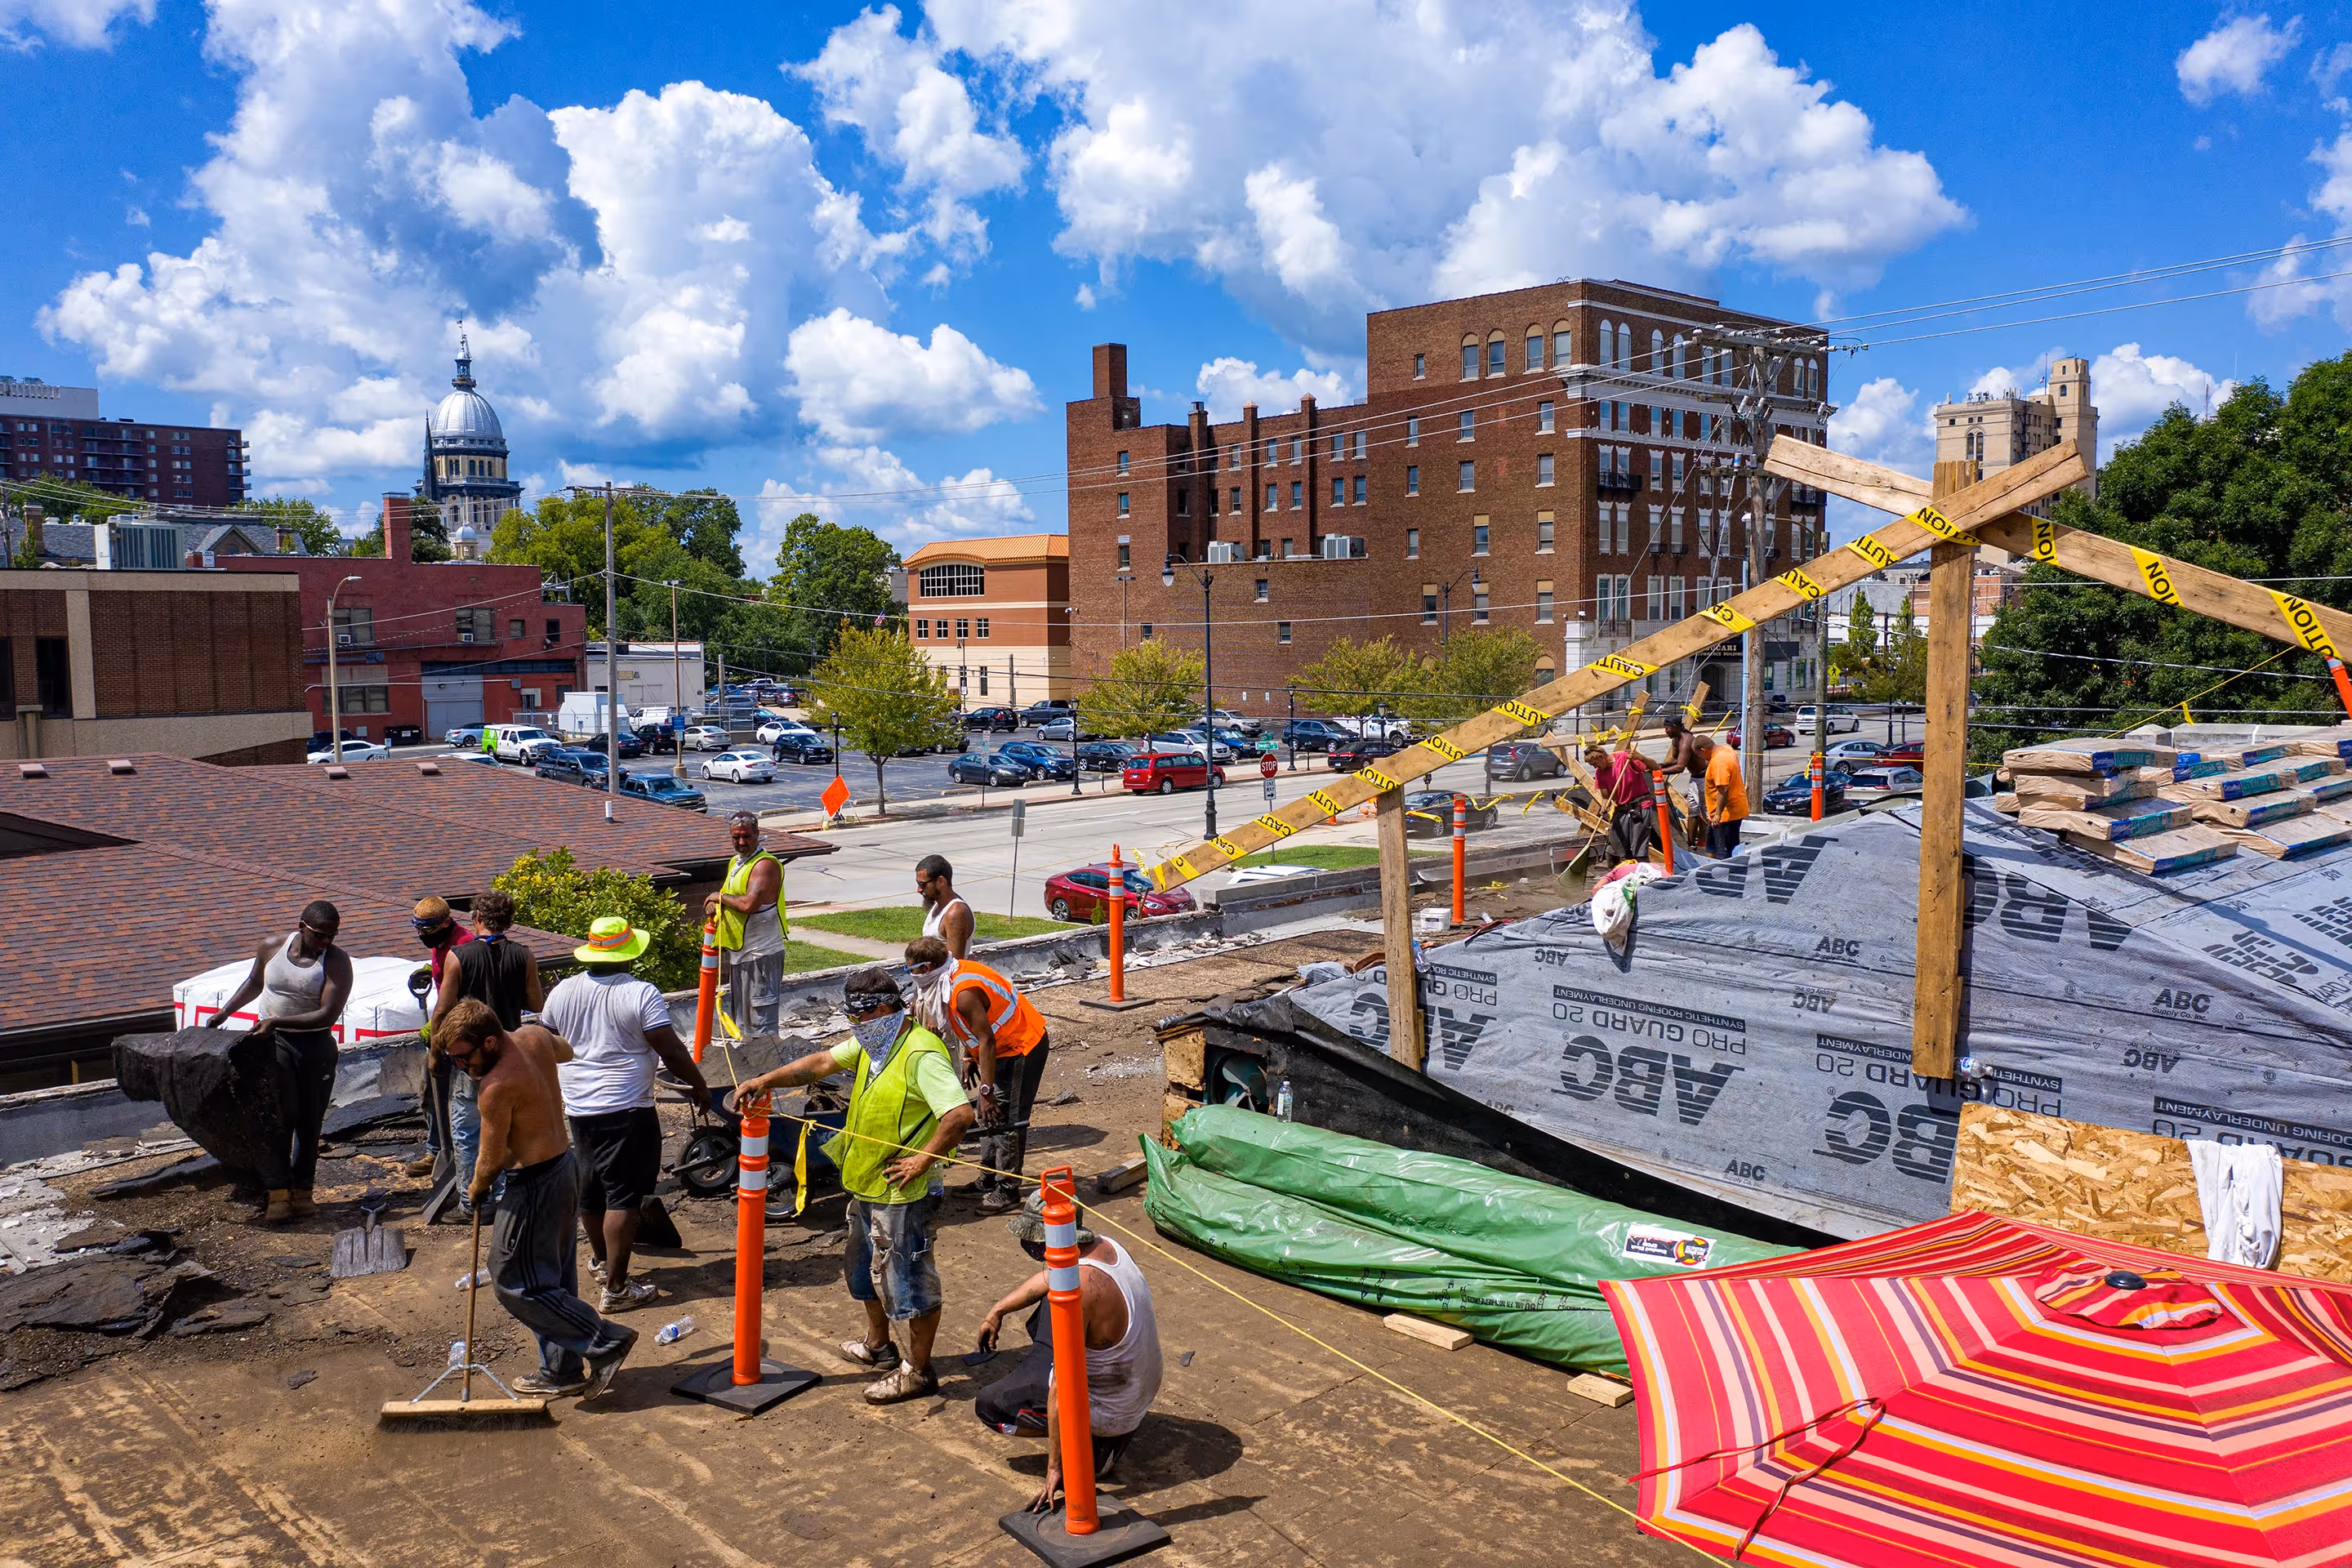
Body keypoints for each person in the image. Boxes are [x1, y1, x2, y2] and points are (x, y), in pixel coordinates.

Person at [733, 968, 976, 1405]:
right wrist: (766, 1080)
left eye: (859, 1019)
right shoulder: (872, 1043)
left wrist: (922, 1160)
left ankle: (918, 1371)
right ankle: (879, 1346)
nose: (854, 1028)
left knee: (909, 1284)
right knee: (863, 1273)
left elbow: (959, 1115)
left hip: (902, 1195)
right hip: (866, 1184)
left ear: (883, 1011)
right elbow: (822, 1062)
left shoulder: (922, 1054)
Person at [439, 998, 638, 1400]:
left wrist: (475, 1190)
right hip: (565, 1168)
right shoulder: (534, 1036)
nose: (462, 1067)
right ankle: (562, 1369)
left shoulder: (495, 1088)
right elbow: (568, 1050)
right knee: (552, 1275)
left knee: (513, 1279)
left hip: (533, 1184)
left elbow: (491, 1159)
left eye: (464, 1057)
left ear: (490, 1041)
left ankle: (605, 1340)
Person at [540, 917, 712, 1313]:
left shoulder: (562, 991)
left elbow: (545, 1043)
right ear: (629, 954)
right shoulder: (640, 993)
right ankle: (617, 1289)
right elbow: (669, 1049)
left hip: (580, 1106)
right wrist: (699, 1085)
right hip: (627, 1108)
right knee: (624, 1196)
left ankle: (602, 1263)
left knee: (591, 1189)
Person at [975, 1192, 1164, 1512]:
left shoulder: (1081, 1289)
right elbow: (1047, 1278)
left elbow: (1061, 1390)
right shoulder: (1103, 1247)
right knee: (1051, 1302)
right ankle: (1095, 1437)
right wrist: (999, 1310)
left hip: (1113, 1412)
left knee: (990, 1408)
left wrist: (1055, 1468)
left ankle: (1090, 1450)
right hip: (1134, 1389)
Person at [209, 902, 355, 1223]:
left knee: (308, 1121)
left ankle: (303, 1193)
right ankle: (278, 1194)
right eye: (320, 935)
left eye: (333, 935)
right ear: (302, 926)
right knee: (276, 1118)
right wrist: (225, 1012)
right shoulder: (271, 948)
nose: (326, 942)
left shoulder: (336, 961)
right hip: (271, 1044)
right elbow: (254, 983)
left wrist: (276, 1022)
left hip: (313, 1045)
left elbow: (327, 1013)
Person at [904, 936, 1048, 1215]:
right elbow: (971, 1029)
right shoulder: (946, 981)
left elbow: (987, 1039)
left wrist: (986, 1090)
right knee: (988, 1117)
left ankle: (1009, 1189)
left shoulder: (962, 990)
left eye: (912, 969)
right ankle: (989, 1178)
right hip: (1000, 1048)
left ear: (928, 967)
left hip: (1021, 1047)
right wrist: (970, 1057)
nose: (911, 976)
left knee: (1006, 1118)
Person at [430, 890, 544, 1215]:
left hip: (470, 1061)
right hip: (509, 1054)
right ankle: (507, 1202)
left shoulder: (458, 956)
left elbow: (442, 1010)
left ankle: (473, 1203)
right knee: (505, 1130)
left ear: (477, 917)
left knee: (468, 1132)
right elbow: (536, 1004)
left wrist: (437, 1052)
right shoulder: (524, 955)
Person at [406, 896, 474, 1179]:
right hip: (443, 1029)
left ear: (446, 922)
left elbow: (460, 1000)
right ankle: (437, 1149)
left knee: (457, 1096)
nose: (422, 935)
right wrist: (430, 969)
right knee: (431, 1092)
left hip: (459, 1032)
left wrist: (436, 1033)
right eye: (418, 929)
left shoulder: (464, 945)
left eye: (428, 929)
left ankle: (454, 1151)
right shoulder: (441, 944)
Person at [702, 812, 786, 1040]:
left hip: (762, 955)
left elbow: (749, 903)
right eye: (735, 837)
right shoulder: (737, 863)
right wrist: (715, 901)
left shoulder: (765, 865)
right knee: (743, 1023)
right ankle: (750, 1068)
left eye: (746, 836)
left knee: (762, 1026)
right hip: (741, 955)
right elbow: (730, 897)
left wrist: (717, 897)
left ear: (758, 834)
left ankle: (767, 1072)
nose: (740, 842)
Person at [1585, 741, 1653, 865]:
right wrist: (1604, 806)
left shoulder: (1624, 758)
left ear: (1601, 757)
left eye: (1594, 764)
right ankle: (1617, 874)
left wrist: (1641, 758)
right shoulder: (1600, 773)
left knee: (1638, 848)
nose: (1595, 767)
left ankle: (1643, 875)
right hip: (1622, 809)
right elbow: (1606, 797)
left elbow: (1655, 767)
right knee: (1615, 845)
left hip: (1640, 807)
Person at [1690, 734, 1752, 859]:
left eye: (1700, 755)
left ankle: (1726, 874)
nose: (1702, 759)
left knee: (1724, 850)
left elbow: (1723, 789)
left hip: (1726, 815)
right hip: (1724, 812)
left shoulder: (1718, 763)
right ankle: (1711, 869)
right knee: (1711, 844)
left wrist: (1717, 814)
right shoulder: (1727, 750)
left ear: (1703, 750)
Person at [915, 854, 973, 960]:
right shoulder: (937, 904)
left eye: (922, 884)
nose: (918, 889)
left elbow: (954, 964)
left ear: (941, 882)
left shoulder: (956, 913)